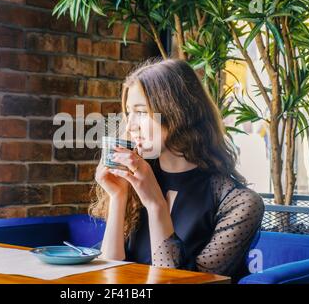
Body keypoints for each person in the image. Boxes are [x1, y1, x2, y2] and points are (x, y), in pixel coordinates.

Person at [90, 58, 265, 283]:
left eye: (141, 112)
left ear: (178, 112)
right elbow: (110, 276)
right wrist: (118, 196)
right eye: (128, 113)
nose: (131, 125)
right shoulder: (136, 182)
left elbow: (177, 281)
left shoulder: (240, 204)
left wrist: (156, 206)